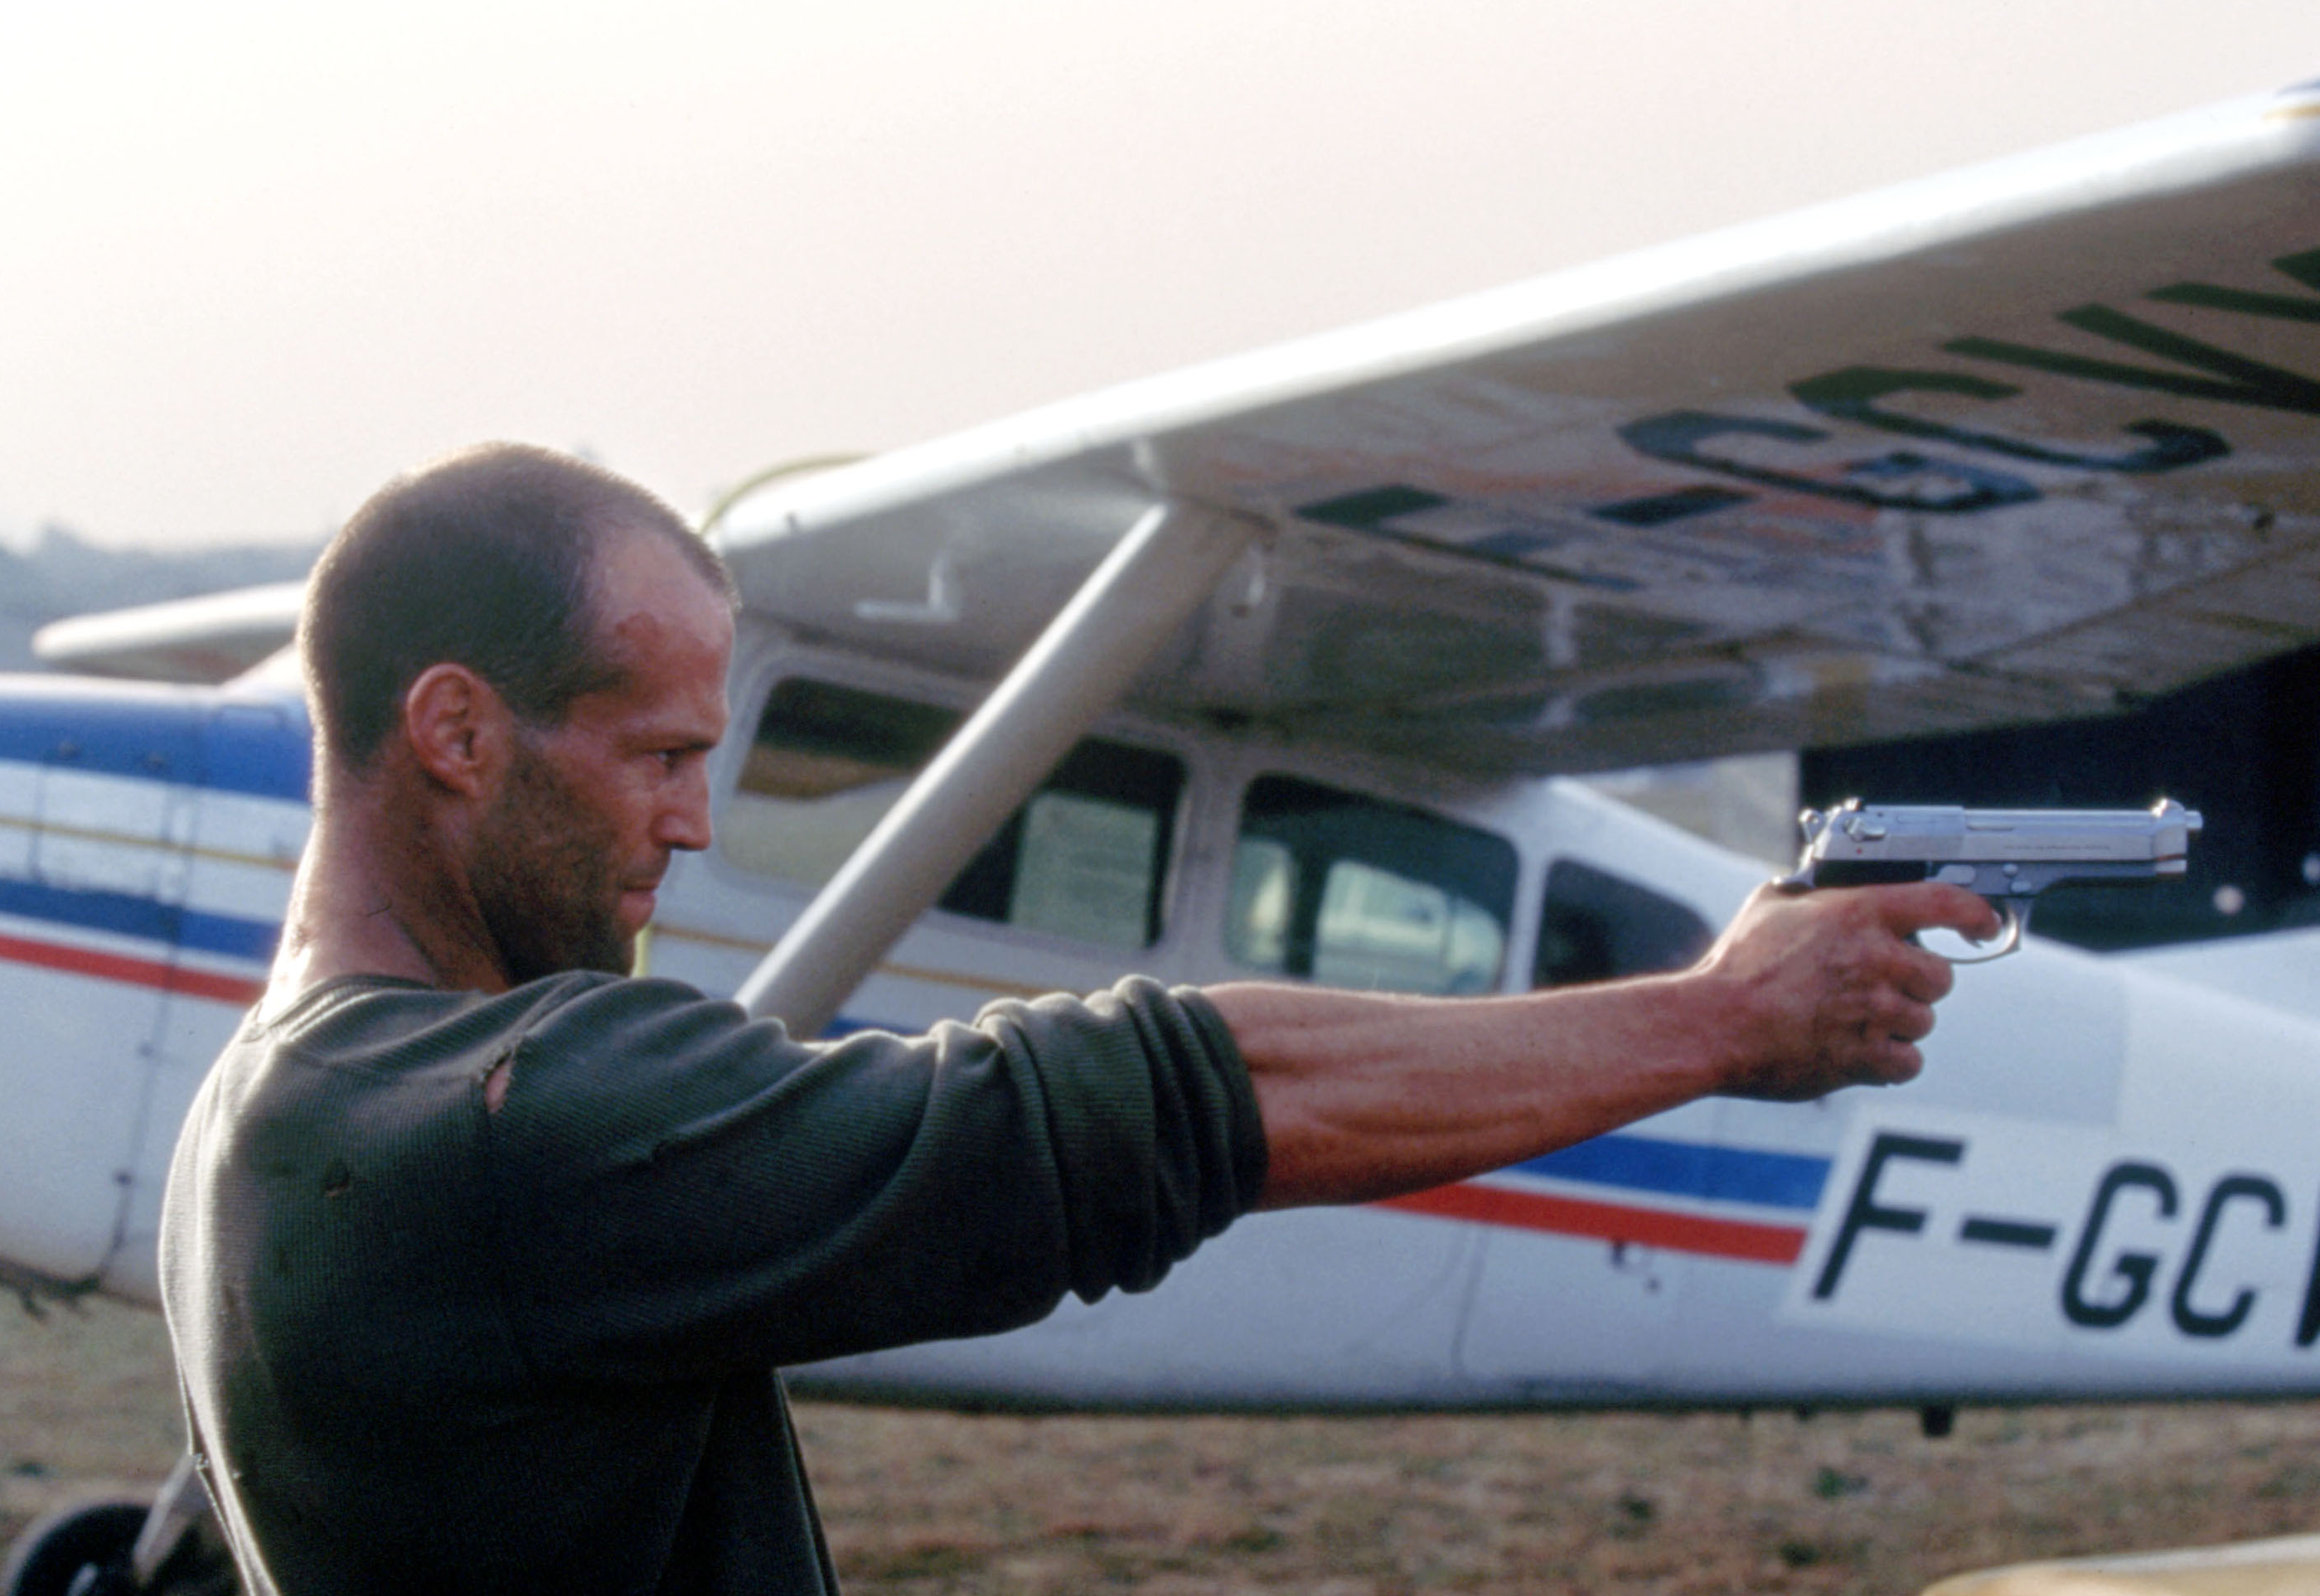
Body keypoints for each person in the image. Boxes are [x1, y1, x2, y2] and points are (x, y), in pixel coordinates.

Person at [160, 443, 1996, 1594]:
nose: (696, 820)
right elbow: (1145, 1094)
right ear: (462, 733)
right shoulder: (506, 1119)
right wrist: (1721, 1021)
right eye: (656, 754)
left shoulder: (262, 1116)